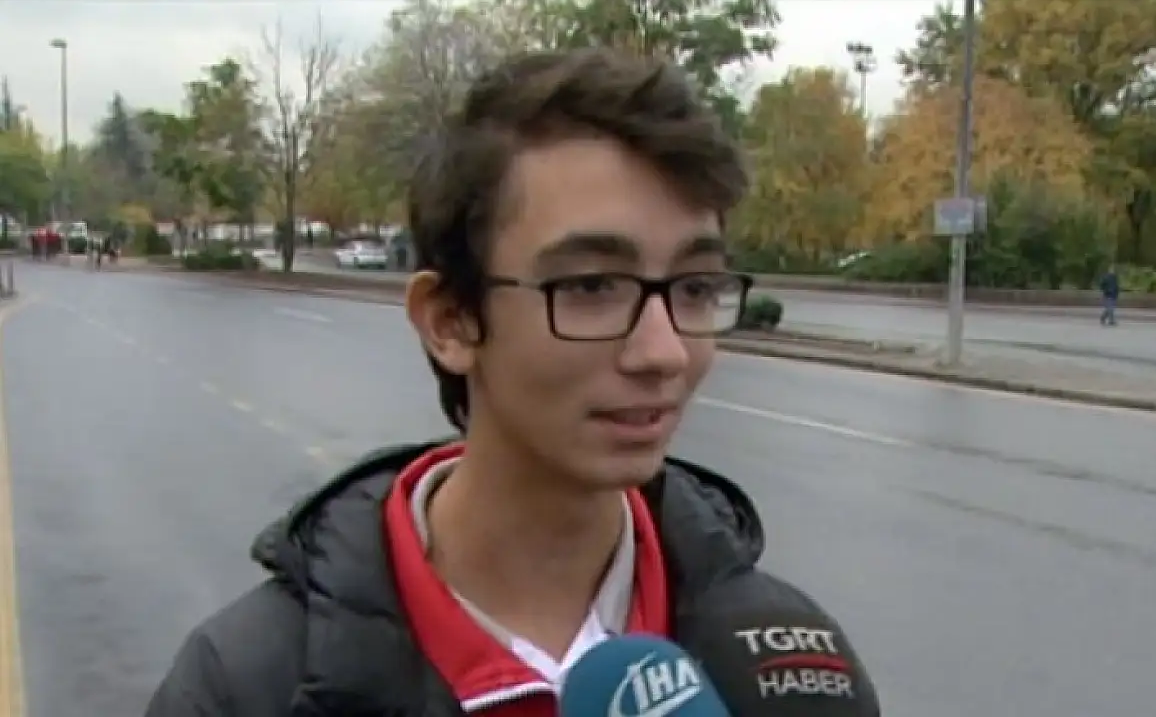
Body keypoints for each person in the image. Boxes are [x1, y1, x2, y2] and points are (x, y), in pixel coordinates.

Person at [145, 47, 880, 716]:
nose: (665, 353)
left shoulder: (791, 672)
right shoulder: (247, 687)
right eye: (591, 286)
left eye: (694, 287)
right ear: (450, 320)